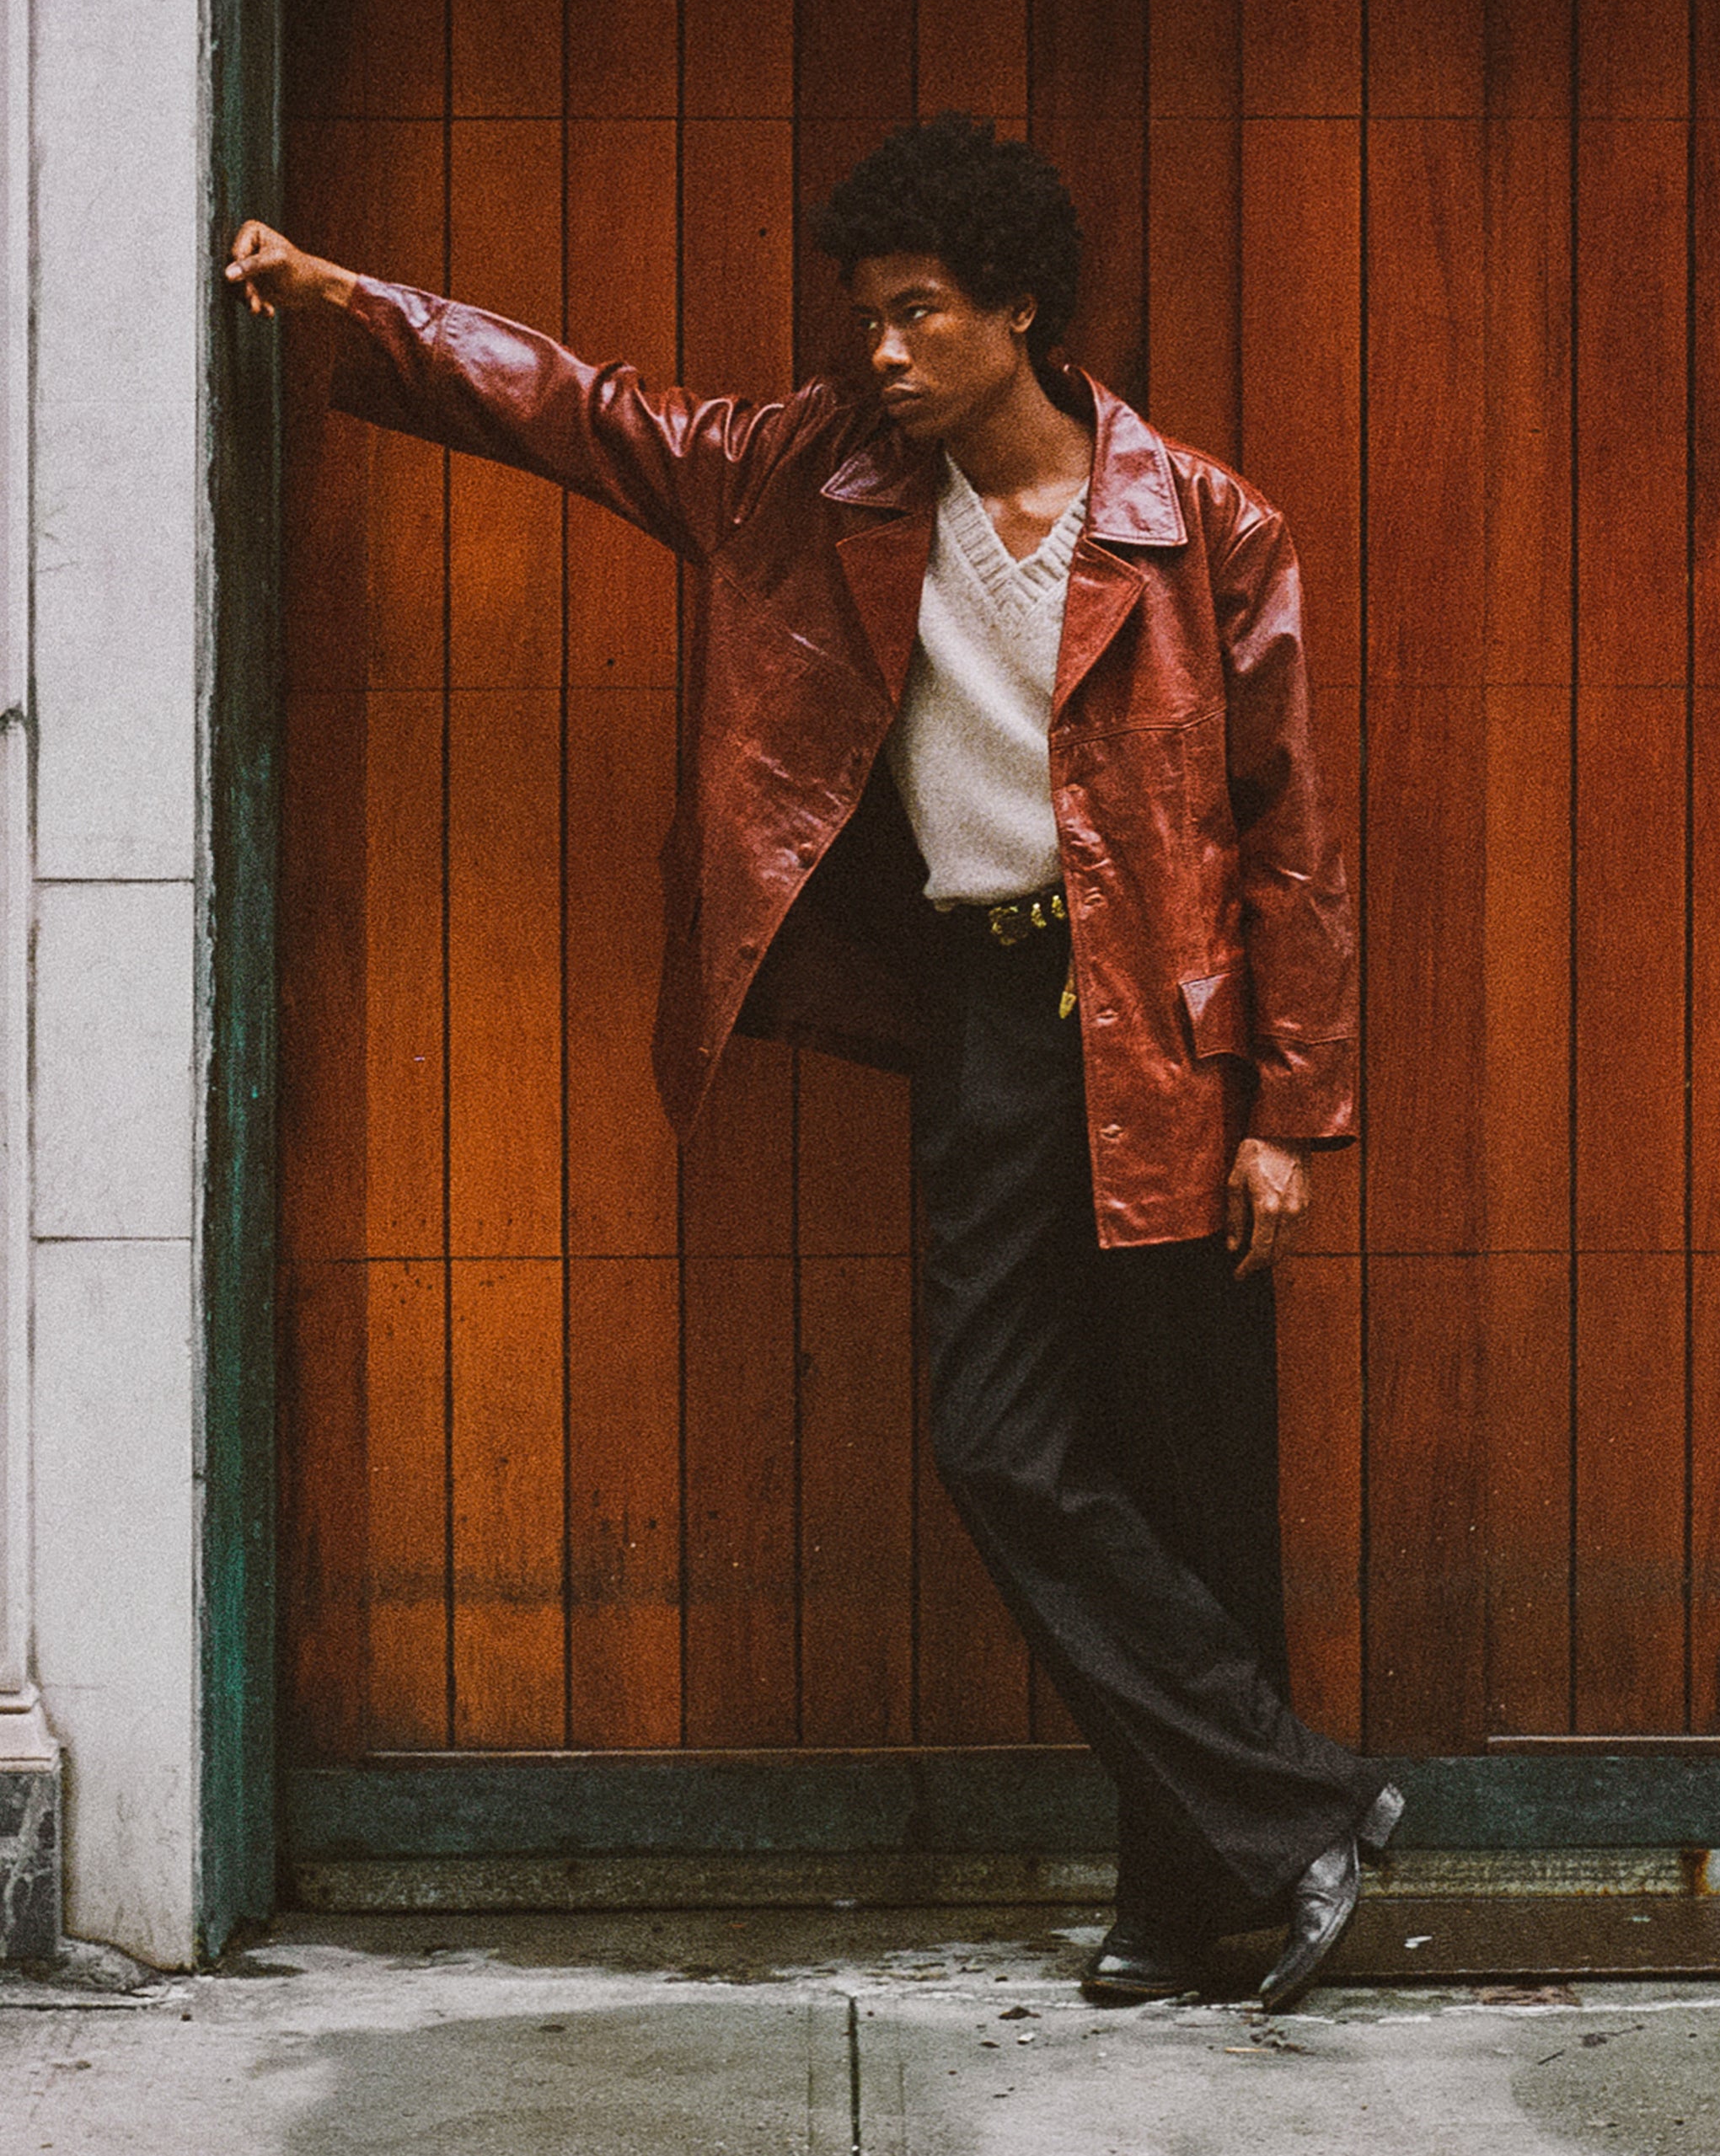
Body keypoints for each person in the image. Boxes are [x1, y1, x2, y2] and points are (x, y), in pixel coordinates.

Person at [227, 111, 1400, 2009]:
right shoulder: (810, 475)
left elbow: (1290, 836)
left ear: (1017, 309)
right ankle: (1303, 1809)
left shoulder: (1202, 522)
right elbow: (588, 414)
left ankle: (1192, 1897)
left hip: (1172, 1050)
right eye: (866, 316)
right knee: (1000, 1442)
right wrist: (360, 308)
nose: (879, 352)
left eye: (918, 314)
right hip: (991, 1022)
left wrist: (1293, 1119)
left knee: (1194, 1481)